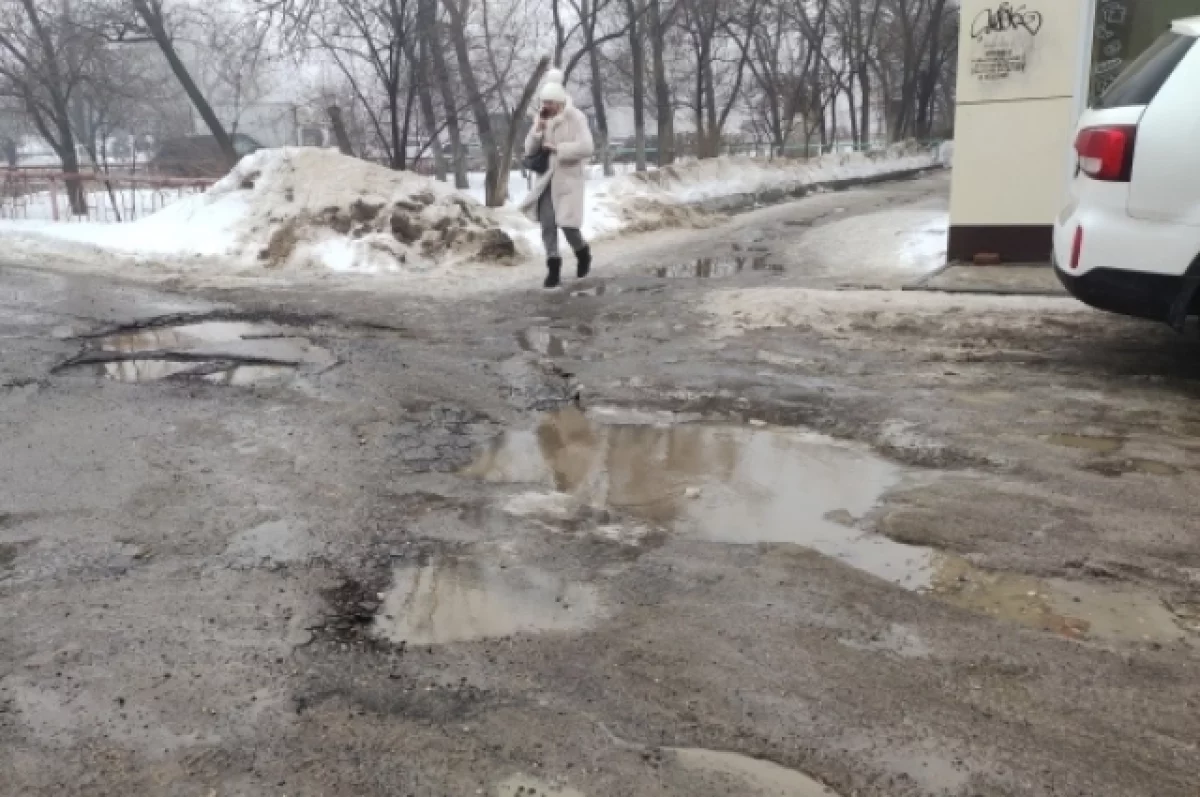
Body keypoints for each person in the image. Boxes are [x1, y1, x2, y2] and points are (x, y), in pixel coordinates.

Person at [519, 81, 594, 289]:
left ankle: (583, 253)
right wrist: (537, 130)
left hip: (568, 180)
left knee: (568, 226)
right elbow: (529, 150)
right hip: (546, 180)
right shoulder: (541, 118)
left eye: (549, 102)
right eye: (543, 102)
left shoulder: (576, 118)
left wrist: (558, 148)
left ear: (559, 102)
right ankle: (553, 269)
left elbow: (587, 147)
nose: (545, 106)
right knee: (548, 226)